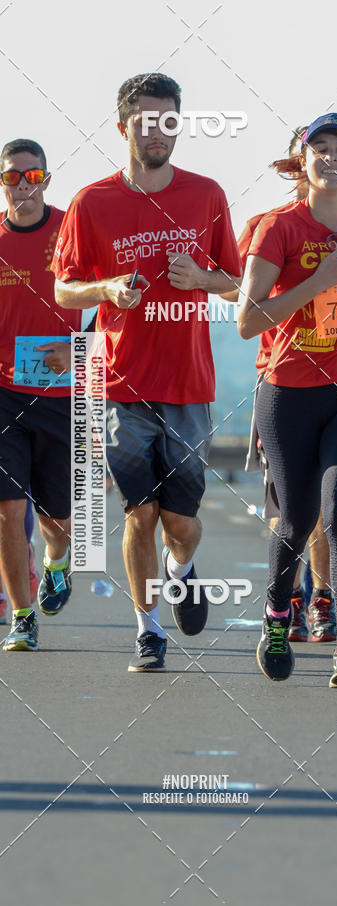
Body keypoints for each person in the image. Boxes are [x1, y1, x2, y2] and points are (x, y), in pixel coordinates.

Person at [52, 73, 241, 672]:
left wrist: (201, 278)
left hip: (188, 384)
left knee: (181, 523)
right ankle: (148, 629)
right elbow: (64, 290)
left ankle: (180, 570)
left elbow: (235, 281)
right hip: (120, 385)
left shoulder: (207, 195)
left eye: (168, 120)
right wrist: (107, 287)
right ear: (122, 127)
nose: (158, 131)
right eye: (146, 120)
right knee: (140, 514)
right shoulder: (92, 202)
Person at [238, 113, 337, 689]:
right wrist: (318, 281)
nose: (332, 158)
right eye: (320, 149)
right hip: (289, 393)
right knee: (297, 519)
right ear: (302, 163)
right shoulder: (278, 228)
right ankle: (276, 616)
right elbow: (247, 320)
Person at [0, 139, 80, 652]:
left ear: (46, 180)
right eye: (12, 177)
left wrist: (78, 348)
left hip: (62, 393)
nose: (22, 186)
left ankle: (57, 562)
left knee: (56, 520)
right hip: (3, 392)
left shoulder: (74, 231)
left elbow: (110, 304)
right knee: (7, 511)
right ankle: (22, 616)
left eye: (32, 177)